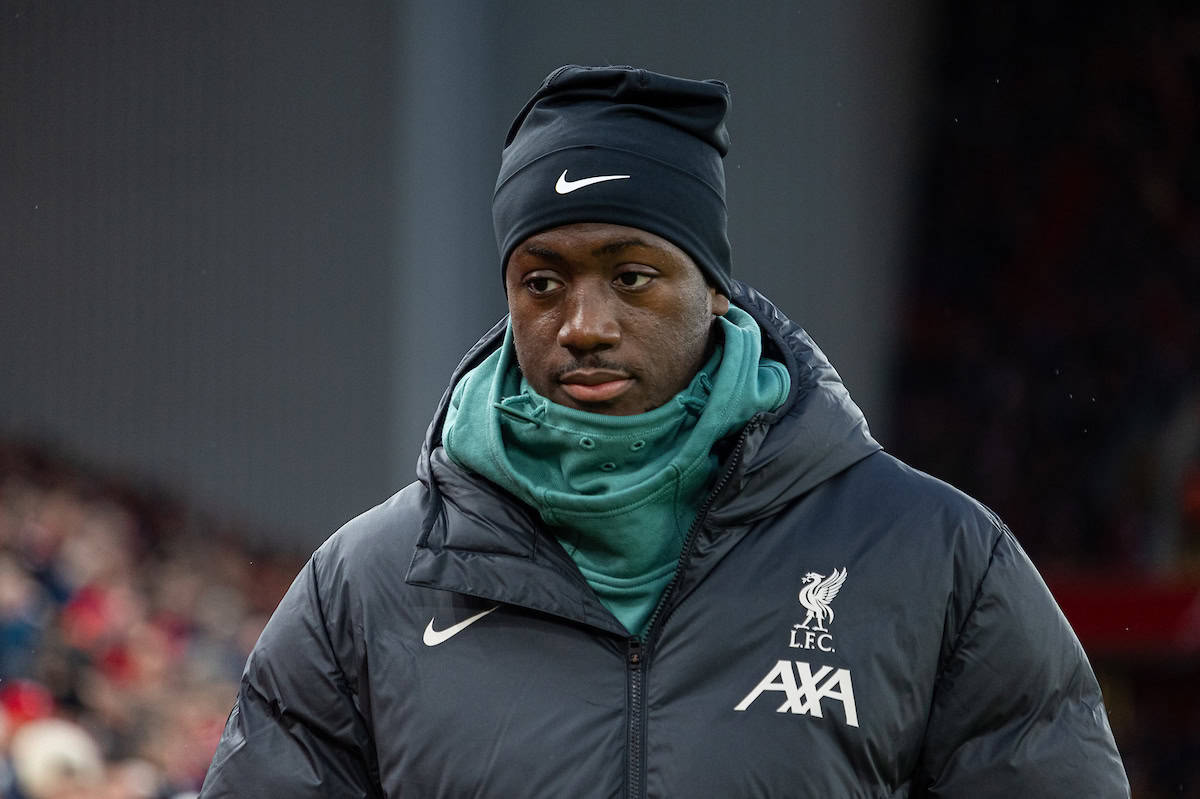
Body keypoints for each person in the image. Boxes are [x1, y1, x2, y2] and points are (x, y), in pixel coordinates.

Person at [198, 65, 1129, 797]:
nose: (585, 323)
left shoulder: (938, 561)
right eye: (543, 281)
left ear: (715, 291)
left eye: (632, 276)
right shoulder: (360, 589)